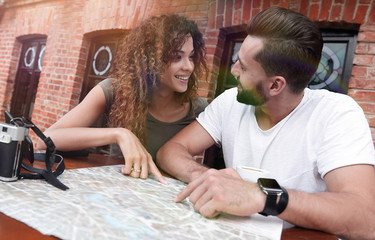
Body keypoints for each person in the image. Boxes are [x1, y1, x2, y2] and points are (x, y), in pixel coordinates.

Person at [157, 7, 375, 239]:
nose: (233, 70)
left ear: (275, 85)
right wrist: (209, 180)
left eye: (243, 66)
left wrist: (264, 196)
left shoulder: (336, 113)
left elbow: (366, 219)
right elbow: (170, 151)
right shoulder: (230, 102)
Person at [36, 14, 208, 184]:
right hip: (118, 194)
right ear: (150, 60)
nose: (188, 66)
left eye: (191, 56)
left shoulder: (199, 110)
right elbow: (47, 139)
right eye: (177, 57)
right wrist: (119, 134)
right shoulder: (115, 91)